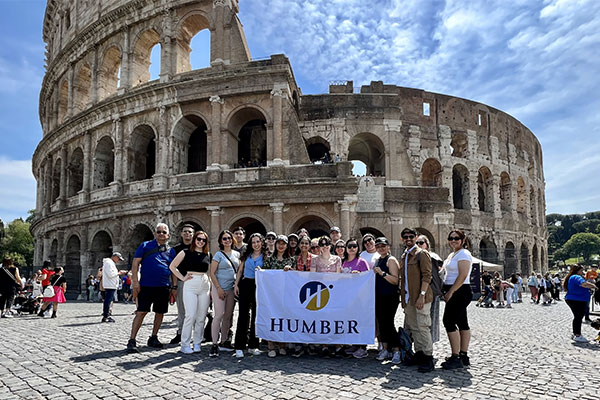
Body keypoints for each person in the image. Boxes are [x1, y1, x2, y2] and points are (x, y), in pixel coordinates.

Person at [126, 223, 177, 353]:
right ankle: (132, 340)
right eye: (158, 232)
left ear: (168, 235)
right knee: (141, 312)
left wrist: (174, 287)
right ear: (155, 234)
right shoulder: (145, 245)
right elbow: (136, 263)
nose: (161, 234)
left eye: (163, 232)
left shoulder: (171, 251)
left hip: (163, 286)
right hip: (146, 285)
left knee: (160, 313)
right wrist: (135, 282)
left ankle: (153, 337)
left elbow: (173, 270)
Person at [169, 230, 212, 354]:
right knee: (190, 315)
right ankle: (185, 344)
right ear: (194, 240)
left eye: (204, 240)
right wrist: (182, 278)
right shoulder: (185, 252)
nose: (201, 242)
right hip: (190, 284)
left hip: (204, 284)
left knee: (201, 316)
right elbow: (172, 266)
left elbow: (209, 272)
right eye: (199, 239)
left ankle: (197, 342)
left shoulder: (207, 254)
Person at [399, 229, 434, 372]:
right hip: (409, 298)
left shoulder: (422, 254)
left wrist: (422, 295)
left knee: (423, 327)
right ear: (402, 239)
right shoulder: (405, 255)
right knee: (414, 328)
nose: (408, 239)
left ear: (416, 237)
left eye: (411, 237)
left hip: (421, 297)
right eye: (405, 237)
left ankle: (428, 357)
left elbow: (427, 276)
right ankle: (419, 354)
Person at [440, 229, 473, 370]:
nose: (453, 240)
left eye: (457, 238)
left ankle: (455, 356)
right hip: (455, 290)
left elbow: (463, 275)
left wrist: (451, 292)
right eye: (451, 238)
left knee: (448, 321)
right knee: (462, 322)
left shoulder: (464, 254)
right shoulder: (453, 254)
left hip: (459, 290)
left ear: (463, 240)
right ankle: (464, 355)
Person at [233, 233, 266, 358]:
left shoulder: (266, 256)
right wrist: (236, 284)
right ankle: (239, 346)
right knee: (243, 315)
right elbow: (240, 270)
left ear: (261, 242)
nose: (256, 244)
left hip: (259, 286)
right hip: (246, 283)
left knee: (256, 317)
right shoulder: (246, 255)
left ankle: (253, 345)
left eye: (258, 241)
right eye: (253, 242)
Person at [208, 230, 240, 357]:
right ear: (221, 241)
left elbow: (239, 271)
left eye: (229, 238)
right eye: (225, 239)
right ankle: (214, 343)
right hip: (219, 288)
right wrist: (218, 287)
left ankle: (224, 341)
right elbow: (212, 273)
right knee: (218, 315)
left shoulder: (237, 254)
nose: (227, 240)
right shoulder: (218, 255)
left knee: (228, 315)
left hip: (231, 288)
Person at [263, 235, 296, 357]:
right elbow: (264, 273)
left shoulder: (291, 260)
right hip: (272, 294)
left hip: (286, 294)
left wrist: (291, 269)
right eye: (279, 243)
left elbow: (296, 276)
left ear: (287, 246)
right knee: (272, 317)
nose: (281, 246)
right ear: (276, 245)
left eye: (283, 243)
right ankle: (271, 345)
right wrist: (259, 271)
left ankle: (282, 344)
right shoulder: (270, 259)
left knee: (283, 318)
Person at [372, 237, 402, 363]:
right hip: (379, 296)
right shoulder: (378, 260)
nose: (381, 248)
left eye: (383, 246)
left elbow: (396, 280)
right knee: (382, 323)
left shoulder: (391, 260)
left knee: (389, 323)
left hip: (390, 296)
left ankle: (396, 350)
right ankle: (385, 349)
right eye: (378, 246)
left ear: (388, 246)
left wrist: (382, 273)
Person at [340, 238, 370, 359]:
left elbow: (368, 278)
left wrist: (360, 275)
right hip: (346, 296)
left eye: (354, 246)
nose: (352, 248)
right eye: (350, 246)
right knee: (350, 321)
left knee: (360, 321)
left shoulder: (362, 262)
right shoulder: (343, 262)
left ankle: (362, 347)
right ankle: (354, 343)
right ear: (346, 248)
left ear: (358, 248)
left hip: (359, 297)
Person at [170, 224, 196, 345]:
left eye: (190, 232)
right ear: (181, 234)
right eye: (185, 232)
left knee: (196, 310)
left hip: (196, 282)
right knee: (181, 310)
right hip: (182, 281)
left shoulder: (198, 246)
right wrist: (174, 285)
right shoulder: (176, 249)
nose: (187, 234)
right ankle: (180, 333)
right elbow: (173, 268)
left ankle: (197, 334)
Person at [416, 235, 442, 344]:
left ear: (427, 244)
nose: (418, 245)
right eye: (416, 243)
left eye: (421, 243)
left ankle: (429, 343)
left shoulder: (432, 256)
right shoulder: (414, 256)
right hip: (418, 291)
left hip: (431, 291)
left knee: (431, 319)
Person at [563, 265, 596, 343]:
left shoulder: (572, 277)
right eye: (581, 271)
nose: (583, 272)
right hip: (577, 299)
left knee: (577, 317)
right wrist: (594, 286)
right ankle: (578, 335)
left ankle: (575, 333)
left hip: (575, 299)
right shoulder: (576, 277)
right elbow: (583, 284)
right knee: (578, 317)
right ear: (577, 271)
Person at [101, 252, 125, 323]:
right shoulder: (108, 263)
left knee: (108, 300)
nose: (118, 261)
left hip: (111, 284)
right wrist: (119, 273)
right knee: (108, 301)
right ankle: (106, 316)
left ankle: (106, 315)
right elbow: (110, 274)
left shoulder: (110, 263)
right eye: (118, 259)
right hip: (110, 285)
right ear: (115, 257)